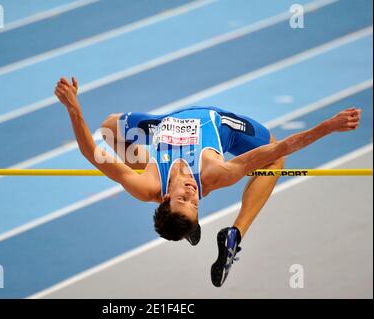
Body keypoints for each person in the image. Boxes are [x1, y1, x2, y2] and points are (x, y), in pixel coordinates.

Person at [54, 76, 361, 287]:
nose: (190, 194)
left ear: (163, 199)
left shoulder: (147, 184)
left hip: (167, 122)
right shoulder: (214, 174)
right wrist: (327, 127)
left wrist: (73, 108)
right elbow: (281, 148)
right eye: (195, 205)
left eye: (182, 200)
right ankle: (236, 234)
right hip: (219, 121)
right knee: (274, 160)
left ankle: (187, 225)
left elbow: (91, 152)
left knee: (109, 127)